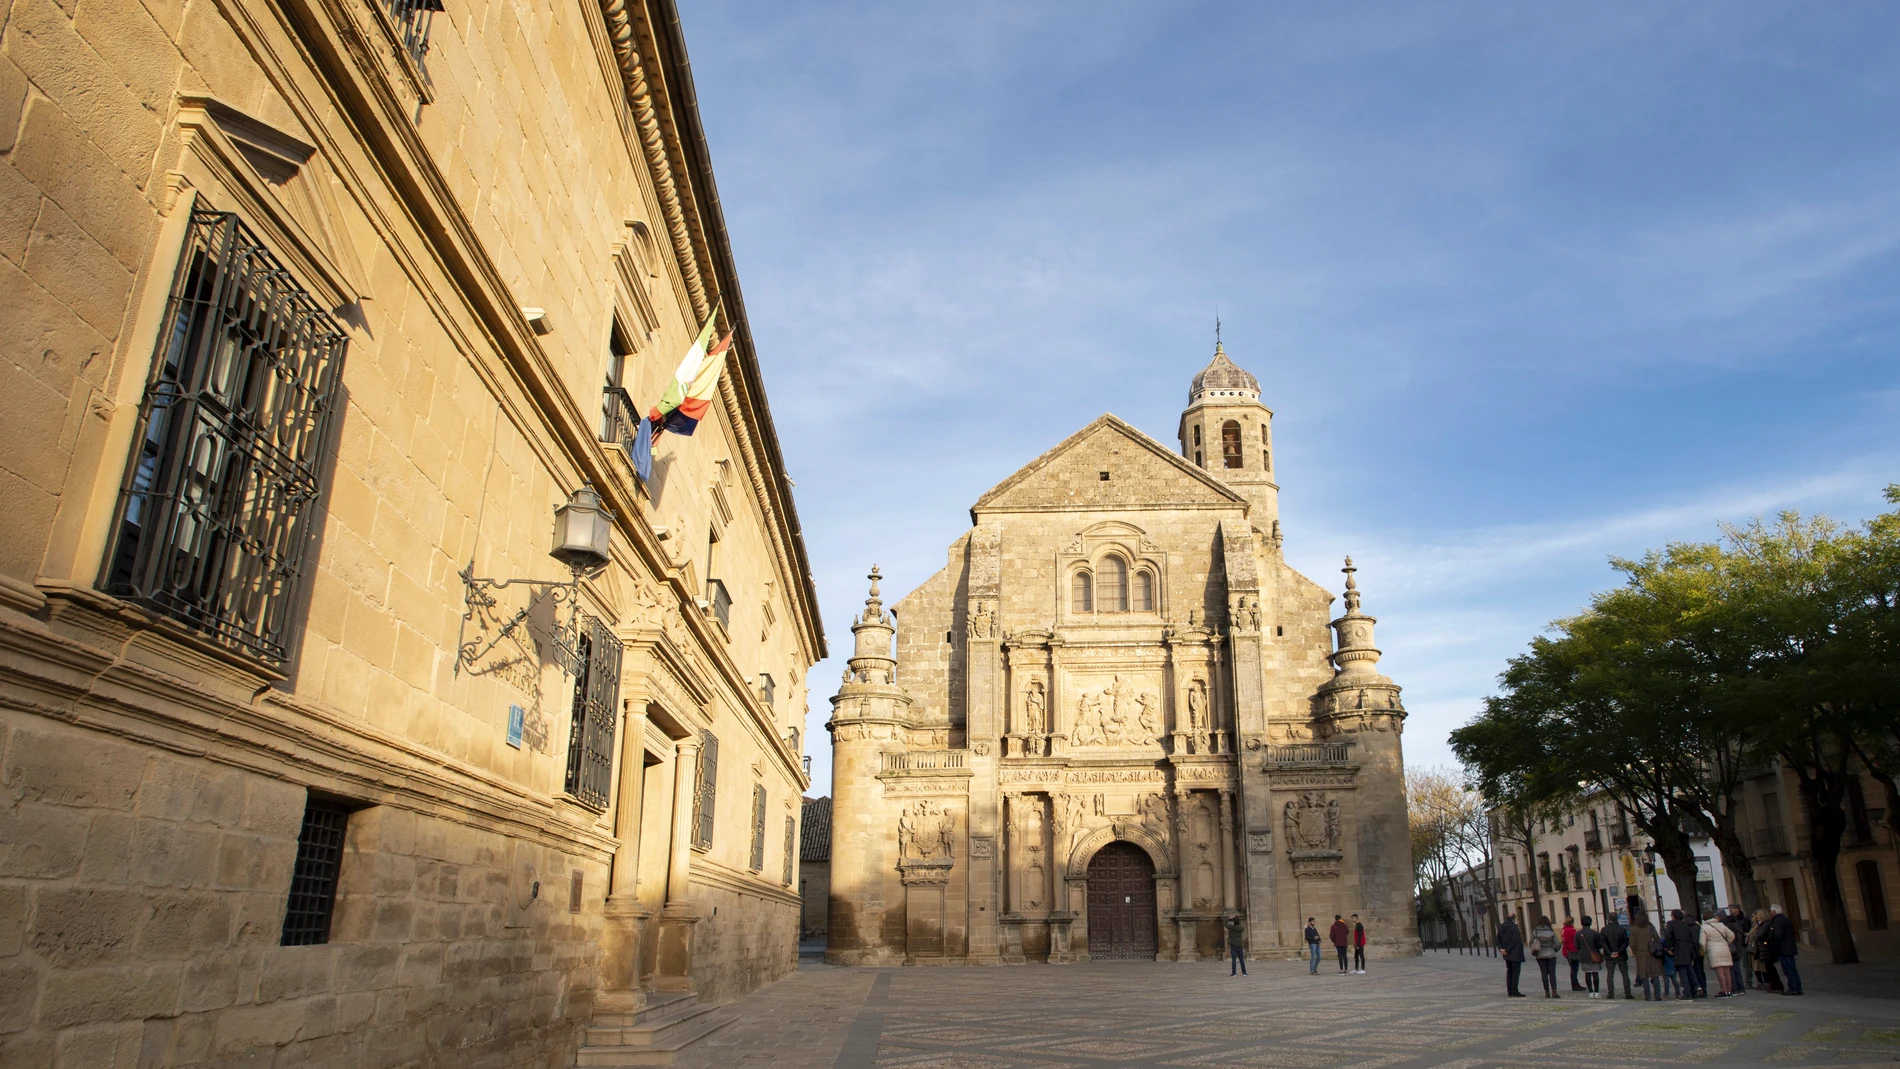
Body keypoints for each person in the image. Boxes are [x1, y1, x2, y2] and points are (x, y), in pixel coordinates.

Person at [1664, 909, 1704, 1000]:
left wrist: (1669, 948)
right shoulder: (1685, 925)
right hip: (1688, 948)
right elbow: (1691, 938)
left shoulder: (1671, 924)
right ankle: (1697, 986)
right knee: (1689, 969)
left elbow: (1668, 935)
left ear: (1673, 916)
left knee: (1683, 972)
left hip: (1679, 948)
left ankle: (1688, 993)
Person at [1767, 904, 1803, 995]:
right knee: (1792, 969)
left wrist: (1773, 943)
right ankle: (1797, 987)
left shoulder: (1778, 921)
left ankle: (1793, 988)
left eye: (1771, 911)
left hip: (1783, 949)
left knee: (1788, 969)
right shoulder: (1785, 920)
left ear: (1774, 912)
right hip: (1789, 948)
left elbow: (1778, 935)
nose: (1770, 913)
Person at [1630, 908, 1663, 1001]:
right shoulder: (1650, 927)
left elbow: (1632, 943)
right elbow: (1657, 939)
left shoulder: (1633, 929)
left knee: (1644, 975)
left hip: (1640, 954)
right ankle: (1657, 995)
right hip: (1652, 953)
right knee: (1654, 974)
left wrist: (1635, 952)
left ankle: (1647, 996)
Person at [1700, 912, 1735, 997]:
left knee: (1720, 972)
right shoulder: (1721, 925)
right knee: (1727, 972)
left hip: (1713, 950)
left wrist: (1705, 949)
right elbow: (1732, 935)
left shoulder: (1704, 927)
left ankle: (1723, 990)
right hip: (1724, 948)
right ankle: (1729, 990)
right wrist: (1726, 942)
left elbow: (1701, 942)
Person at [1599, 911, 1632, 999]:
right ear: (1617, 919)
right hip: (1621, 955)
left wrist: (1610, 952)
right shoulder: (1622, 929)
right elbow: (1626, 942)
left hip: (1609, 956)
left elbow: (1603, 943)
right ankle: (1627, 993)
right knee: (1625, 974)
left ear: (1609, 919)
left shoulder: (1604, 929)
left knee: (1610, 974)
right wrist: (1619, 951)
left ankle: (1611, 993)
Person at [1749, 909, 1783, 992]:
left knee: (1770, 969)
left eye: (1758, 915)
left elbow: (1760, 934)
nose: (1756, 917)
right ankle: (1774, 986)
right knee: (1768, 968)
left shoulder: (1765, 924)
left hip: (1766, 949)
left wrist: (1754, 934)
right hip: (1763, 949)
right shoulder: (1761, 924)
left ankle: (1777, 986)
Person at [1530, 915, 1562, 998]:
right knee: (1552, 973)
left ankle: (1546, 992)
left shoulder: (1535, 932)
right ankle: (1554, 991)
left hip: (1540, 955)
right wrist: (1554, 950)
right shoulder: (1551, 931)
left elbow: (1530, 942)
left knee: (1544, 973)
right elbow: (1558, 944)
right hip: (1551, 954)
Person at [1721, 905, 1749, 997]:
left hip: (1732, 949)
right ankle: (1741, 988)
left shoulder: (1728, 927)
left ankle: (1734, 988)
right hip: (1738, 949)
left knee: (1732, 970)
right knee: (1737, 970)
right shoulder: (1737, 927)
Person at [1497, 913, 1527, 997]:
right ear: (1514, 918)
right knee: (1515, 972)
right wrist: (1507, 949)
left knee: (1509, 971)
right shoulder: (1514, 927)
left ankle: (1509, 990)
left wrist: (1502, 949)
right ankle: (1514, 990)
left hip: (1506, 954)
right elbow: (1514, 940)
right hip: (1515, 953)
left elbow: (1498, 940)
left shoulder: (1501, 927)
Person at [1575, 916, 1605, 998]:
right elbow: (1599, 944)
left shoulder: (1578, 933)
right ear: (1590, 922)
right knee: (1595, 973)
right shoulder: (1595, 933)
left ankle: (1591, 992)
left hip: (1584, 955)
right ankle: (1597, 991)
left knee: (1587, 974)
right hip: (1594, 954)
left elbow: (1576, 945)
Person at [1561, 917, 1583, 990]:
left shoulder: (1563, 929)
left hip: (1566, 951)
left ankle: (1576, 984)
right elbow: (1577, 940)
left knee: (1573, 968)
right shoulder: (1572, 930)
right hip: (1573, 952)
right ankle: (1575, 984)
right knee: (1574, 969)